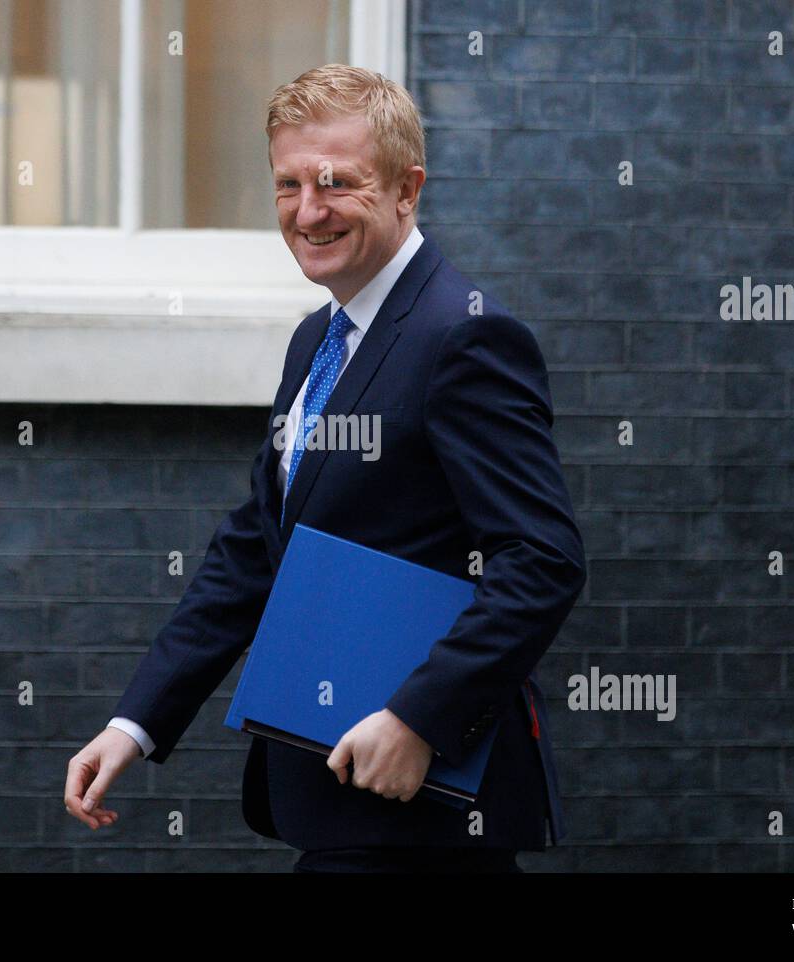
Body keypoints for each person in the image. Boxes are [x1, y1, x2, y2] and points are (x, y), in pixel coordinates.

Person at [64, 64, 586, 873]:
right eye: (288, 184)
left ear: (407, 189)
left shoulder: (466, 338)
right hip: (339, 807)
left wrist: (417, 719)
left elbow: (543, 560)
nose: (307, 211)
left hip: (428, 812)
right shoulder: (319, 340)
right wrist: (135, 724)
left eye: (336, 183)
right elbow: (257, 548)